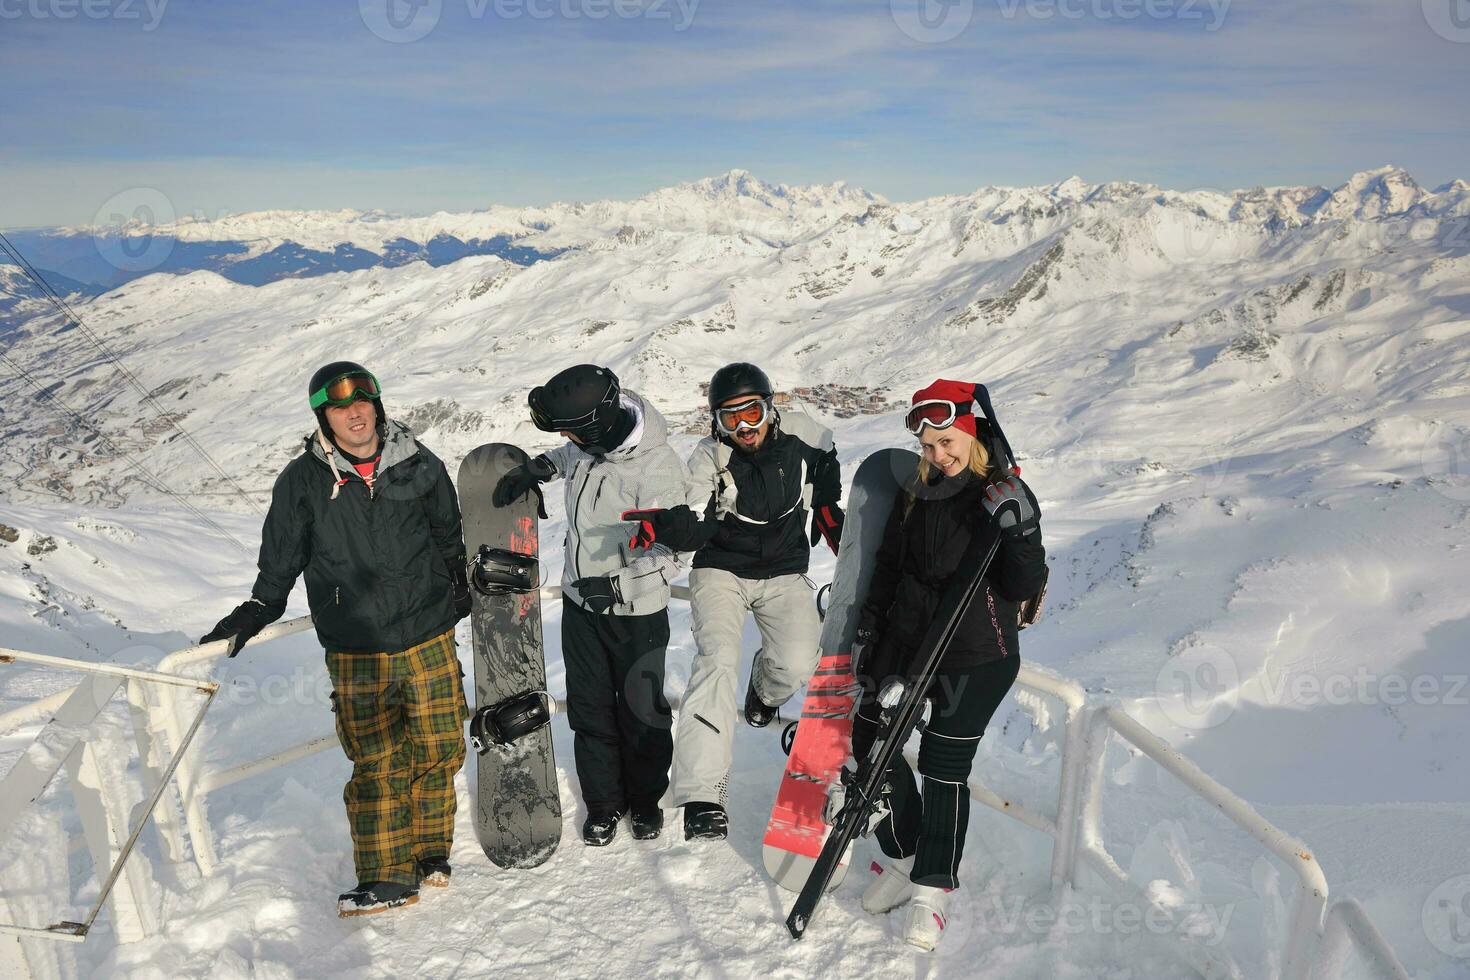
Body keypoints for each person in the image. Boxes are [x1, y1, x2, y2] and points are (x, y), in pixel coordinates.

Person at [199, 361, 473, 917]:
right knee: (377, 761)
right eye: (339, 407)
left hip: (427, 634)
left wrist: (458, 586)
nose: (354, 414)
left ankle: (429, 853)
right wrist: (258, 607)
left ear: (377, 405)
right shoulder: (302, 481)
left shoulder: (419, 464)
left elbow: (447, 533)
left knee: (440, 748)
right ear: (324, 417)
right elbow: (282, 558)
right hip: (357, 646)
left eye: (362, 402)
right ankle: (386, 876)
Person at [852, 379, 1046, 951]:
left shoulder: (999, 492)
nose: (938, 455)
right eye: (928, 447)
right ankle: (906, 853)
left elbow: (1023, 585)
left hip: (977, 651)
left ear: (969, 431)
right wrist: (869, 619)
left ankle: (933, 888)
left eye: (946, 441)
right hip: (909, 640)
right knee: (868, 742)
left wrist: (1023, 530)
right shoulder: (919, 490)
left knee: (941, 764)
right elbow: (890, 563)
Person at [621, 362, 843, 841]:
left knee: (799, 662)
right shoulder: (709, 458)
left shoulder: (808, 437)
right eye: (730, 419)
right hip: (721, 569)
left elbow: (826, 469)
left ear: (771, 408)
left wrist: (830, 514)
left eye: (752, 413)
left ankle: (763, 691)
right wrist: (667, 526)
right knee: (717, 661)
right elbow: (698, 520)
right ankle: (702, 794)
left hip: (783, 570)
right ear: (715, 422)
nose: (744, 427)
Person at [492, 364, 692, 846]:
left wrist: (620, 587)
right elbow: (572, 454)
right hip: (582, 604)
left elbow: (676, 554)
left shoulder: (657, 468)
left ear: (598, 425)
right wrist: (542, 466)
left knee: (642, 709)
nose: (567, 437)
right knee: (590, 708)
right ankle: (604, 803)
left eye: (571, 431)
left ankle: (645, 800)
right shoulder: (588, 444)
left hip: (637, 612)